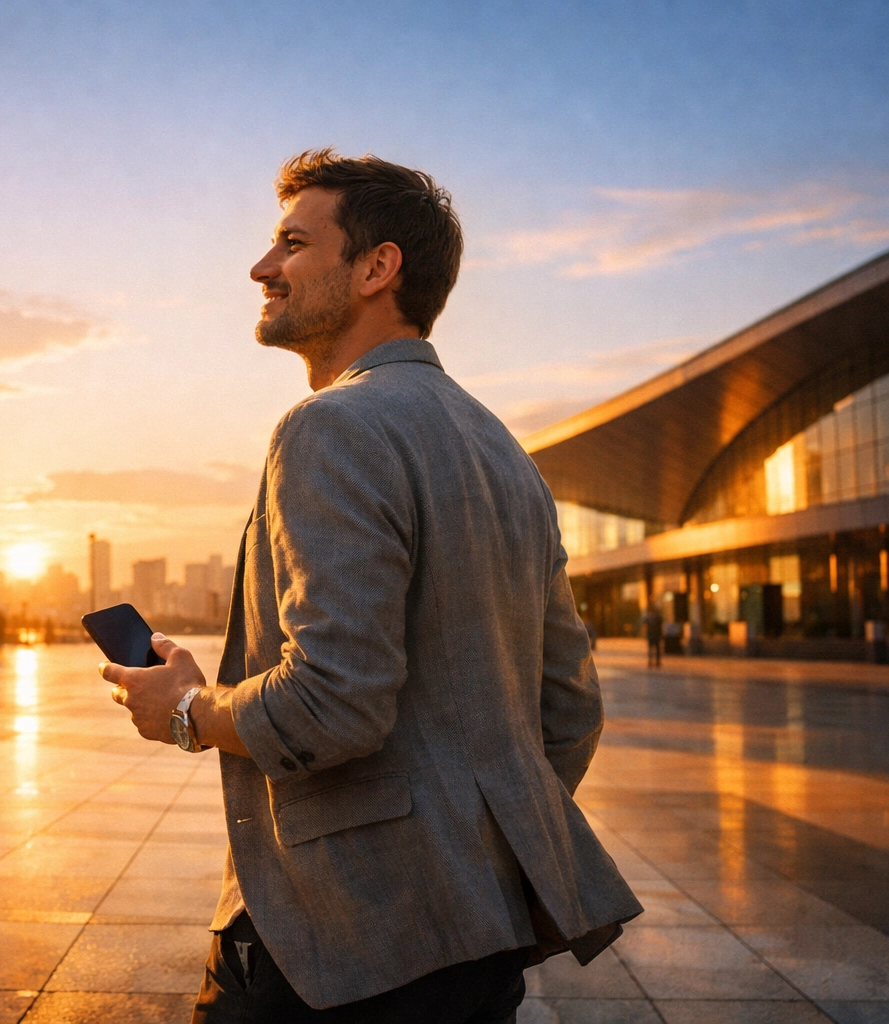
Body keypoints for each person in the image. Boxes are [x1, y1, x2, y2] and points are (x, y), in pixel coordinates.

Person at [102, 150, 641, 1022]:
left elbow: (333, 703)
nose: (262, 268)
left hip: (334, 950)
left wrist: (188, 710)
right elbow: (570, 709)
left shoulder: (331, 426)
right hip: (477, 947)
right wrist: (468, 849)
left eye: (292, 244)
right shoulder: (503, 452)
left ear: (376, 268)